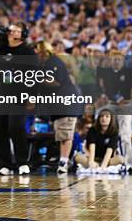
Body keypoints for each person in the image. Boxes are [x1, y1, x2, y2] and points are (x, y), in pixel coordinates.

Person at [0, 22, 37, 176]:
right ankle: (5, 164)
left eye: (18, 30)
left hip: (19, 96)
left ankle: (22, 162)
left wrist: (32, 97)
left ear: (23, 33)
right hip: (0, 95)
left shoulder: (28, 52)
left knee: (15, 127)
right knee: (0, 129)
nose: (13, 32)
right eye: (12, 29)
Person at [35, 40, 83, 174]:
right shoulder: (45, 64)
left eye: (38, 52)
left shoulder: (52, 62)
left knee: (65, 134)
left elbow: (55, 82)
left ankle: (63, 162)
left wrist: (37, 79)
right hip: (58, 104)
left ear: (44, 52)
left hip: (66, 103)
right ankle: (64, 160)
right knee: (61, 133)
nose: (36, 55)